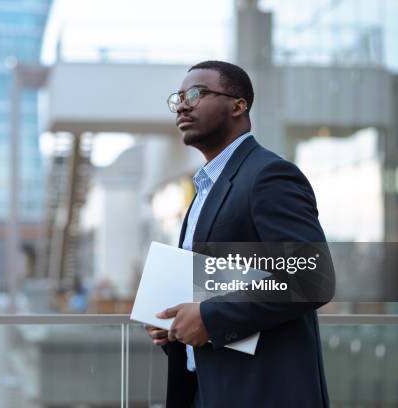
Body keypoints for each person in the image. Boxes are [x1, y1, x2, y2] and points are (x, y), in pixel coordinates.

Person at [144, 60, 335, 407]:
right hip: (205, 387)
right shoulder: (205, 187)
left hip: (260, 392)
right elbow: (216, 281)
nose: (183, 104)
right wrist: (175, 323)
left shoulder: (269, 175)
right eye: (179, 98)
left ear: (238, 105)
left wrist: (209, 317)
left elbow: (312, 276)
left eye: (197, 93)